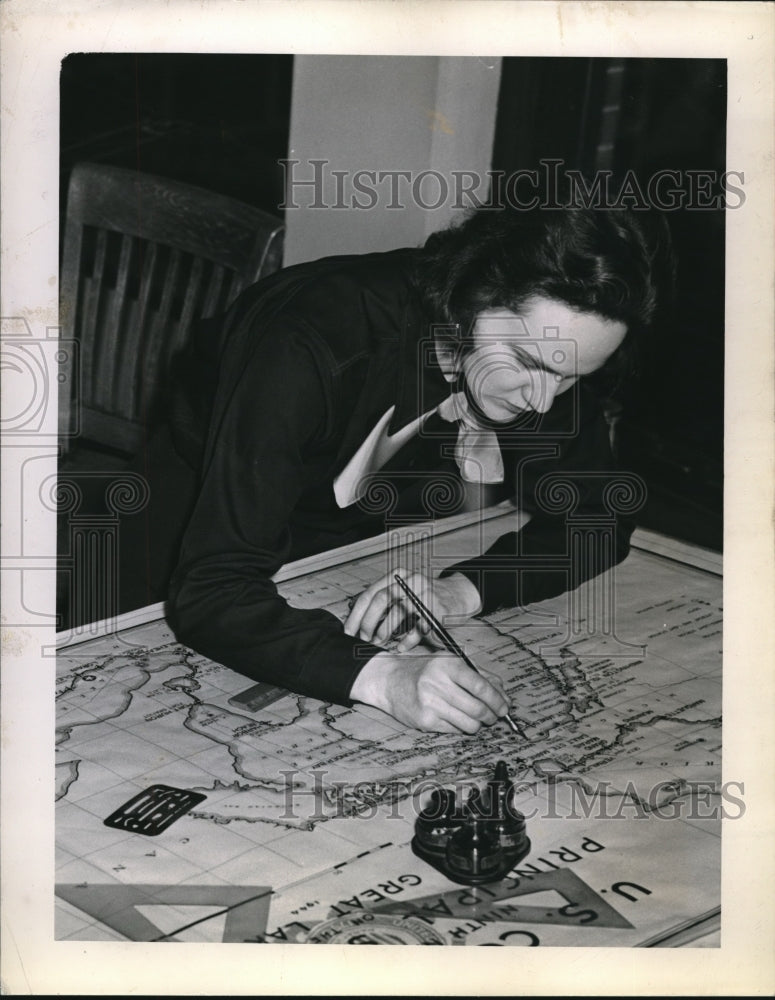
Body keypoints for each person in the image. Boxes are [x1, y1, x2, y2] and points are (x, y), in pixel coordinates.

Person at [166, 201, 672, 734]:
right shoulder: (307, 337)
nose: (544, 404)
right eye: (527, 364)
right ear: (472, 301)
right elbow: (214, 588)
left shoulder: (547, 344)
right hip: (196, 512)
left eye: (572, 377)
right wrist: (386, 679)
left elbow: (596, 517)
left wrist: (463, 591)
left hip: (355, 538)